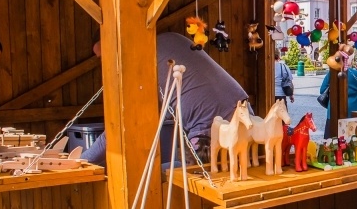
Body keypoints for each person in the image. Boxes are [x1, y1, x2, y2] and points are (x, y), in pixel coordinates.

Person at [84, 32, 251, 167]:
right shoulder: (171, 38)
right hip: (245, 113)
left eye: (104, 56)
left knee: (160, 177)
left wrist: (82, 161)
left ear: (116, 43)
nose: (105, 63)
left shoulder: (139, 63)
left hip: (209, 134)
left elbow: (120, 128)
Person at [320, 64, 357, 139]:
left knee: (331, 140)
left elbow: (322, 90)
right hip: (351, 113)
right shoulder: (355, 74)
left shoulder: (331, 73)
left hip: (333, 113)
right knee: (350, 141)